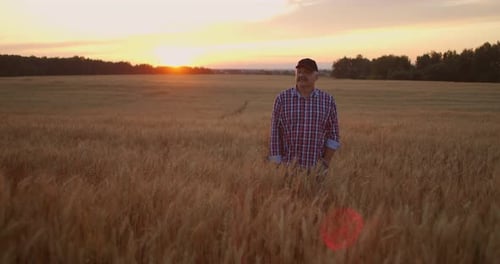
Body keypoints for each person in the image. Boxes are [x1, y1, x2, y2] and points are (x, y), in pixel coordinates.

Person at [269, 58, 340, 179]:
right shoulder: (282, 99)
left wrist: (325, 163)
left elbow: (333, 134)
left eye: (306, 72)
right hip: (287, 169)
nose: (301, 75)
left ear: (316, 76)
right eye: (299, 72)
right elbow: (275, 133)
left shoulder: (328, 101)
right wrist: (277, 165)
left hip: (316, 170)